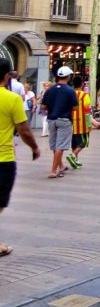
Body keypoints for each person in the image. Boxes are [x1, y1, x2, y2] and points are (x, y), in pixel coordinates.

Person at [0, 57, 40, 257]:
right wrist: (35, 148)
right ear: (7, 76)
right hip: (3, 159)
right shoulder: (12, 99)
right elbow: (24, 130)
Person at [40, 66, 79, 179]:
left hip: (51, 119)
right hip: (65, 120)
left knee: (54, 145)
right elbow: (75, 108)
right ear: (68, 77)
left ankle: (61, 166)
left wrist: (53, 108)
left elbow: (43, 106)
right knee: (60, 146)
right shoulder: (70, 90)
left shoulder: (49, 90)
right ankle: (53, 171)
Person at [67, 74, 92, 170]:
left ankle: (75, 161)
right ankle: (73, 156)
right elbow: (87, 111)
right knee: (84, 141)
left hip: (71, 122)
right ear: (82, 84)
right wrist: (89, 124)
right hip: (81, 123)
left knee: (74, 143)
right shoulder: (84, 95)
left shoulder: (70, 94)